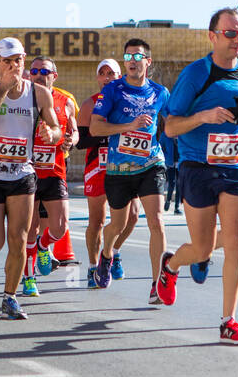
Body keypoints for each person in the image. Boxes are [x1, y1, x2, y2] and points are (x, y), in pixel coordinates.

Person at [159, 9, 238, 345]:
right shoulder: (195, 75)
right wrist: (203, 116)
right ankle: (171, 265)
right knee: (202, 249)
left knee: (236, 240)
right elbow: (170, 127)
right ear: (212, 37)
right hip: (197, 167)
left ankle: (228, 321)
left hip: (235, 167)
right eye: (231, 34)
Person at [0, 38, 61, 319]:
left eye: (17, 60)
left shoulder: (39, 94)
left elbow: (55, 128)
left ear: (24, 61)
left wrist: (51, 134)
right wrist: (4, 88)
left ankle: (10, 297)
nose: (13, 66)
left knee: (18, 239)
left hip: (23, 175)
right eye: (7, 61)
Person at [91, 38, 171, 303]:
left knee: (156, 221)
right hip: (119, 168)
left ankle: (157, 284)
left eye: (138, 57)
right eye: (128, 57)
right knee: (118, 224)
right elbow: (95, 128)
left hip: (151, 164)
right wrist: (129, 126)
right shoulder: (112, 90)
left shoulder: (160, 92)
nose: (132, 61)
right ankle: (106, 254)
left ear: (148, 61)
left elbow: (173, 121)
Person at [78, 60, 137, 287]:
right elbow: (82, 141)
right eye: (102, 74)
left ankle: (113, 251)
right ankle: (94, 267)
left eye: (111, 73)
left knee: (132, 216)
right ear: (97, 78)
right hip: (98, 166)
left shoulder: (131, 102)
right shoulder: (90, 103)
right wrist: (110, 133)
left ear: (120, 75)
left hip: (126, 163)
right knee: (98, 221)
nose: (106, 77)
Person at [27, 57, 79, 295]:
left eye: (44, 71)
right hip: (27, 172)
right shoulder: (22, 97)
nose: (38, 74)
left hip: (55, 171)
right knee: (30, 226)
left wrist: (71, 140)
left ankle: (44, 245)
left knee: (59, 227)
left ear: (54, 76)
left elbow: (74, 131)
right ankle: (28, 278)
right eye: (34, 70)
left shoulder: (65, 101)